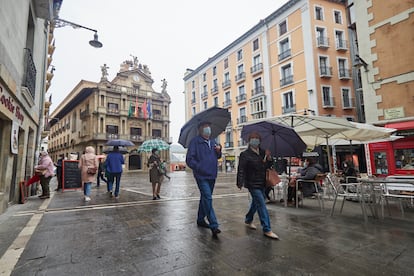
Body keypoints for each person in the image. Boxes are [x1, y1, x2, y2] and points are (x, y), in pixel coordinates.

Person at [237, 132, 279, 240]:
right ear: (249, 141)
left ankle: (248, 219)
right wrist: (239, 182)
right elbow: (241, 169)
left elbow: (268, 166)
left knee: (256, 203)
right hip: (252, 183)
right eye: (253, 138)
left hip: (263, 182)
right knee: (261, 204)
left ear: (260, 140)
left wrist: (269, 158)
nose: (255, 140)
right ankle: (267, 229)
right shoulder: (245, 154)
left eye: (257, 138)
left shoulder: (263, 152)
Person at [186, 121, 222, 237]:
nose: (208, 129)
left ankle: (200, 219)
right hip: (201, 175)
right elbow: (189, 160)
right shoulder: (195, 142)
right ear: (201, 129)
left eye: (209, 127)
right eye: (206, 127)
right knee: (208, 197)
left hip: (212, 175)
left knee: (205, 198)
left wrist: (218, 151)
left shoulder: (213, 141)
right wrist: (199, 167)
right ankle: (214, 225)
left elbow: (218, 156)